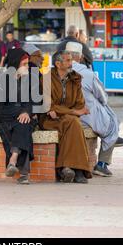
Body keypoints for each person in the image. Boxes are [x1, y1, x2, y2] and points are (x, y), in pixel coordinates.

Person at [67, 42, 123, 177]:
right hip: (85, 117)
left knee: (108, 117)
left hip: (67, 114)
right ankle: (102, 164)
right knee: (112, 121)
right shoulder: (87, 74)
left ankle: (112, 139)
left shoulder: (57, 71)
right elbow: (102, 96)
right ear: (80, 57)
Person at [39, 50, 92, 183]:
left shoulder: (75, 78)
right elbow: (48, 105)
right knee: (73, 122)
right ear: (58, 63)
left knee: (72, 124)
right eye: (68, 61)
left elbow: (80, 104)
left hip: (65, 119)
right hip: (49, 119)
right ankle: (78, 170)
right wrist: (72, 112)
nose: (71, 63)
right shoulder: (46, 78)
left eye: (71, 60)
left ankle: (67, 168)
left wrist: (64, 111)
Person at [0, 49, 36, 184]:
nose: (27, 67)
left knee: (24, 124)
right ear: (15, 64)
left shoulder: (27, 80)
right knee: (24, 127)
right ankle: (23, 174)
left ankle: (13, 159)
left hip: (22, 118)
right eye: (24, 64)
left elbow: (30, 102)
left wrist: (26, 112)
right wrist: (21, 112)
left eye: (27, 64)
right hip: (5, 119)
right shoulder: (2, 80)